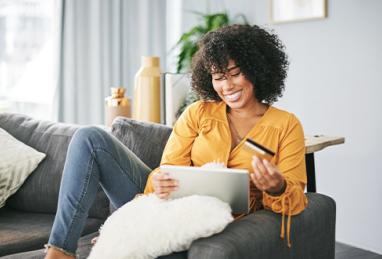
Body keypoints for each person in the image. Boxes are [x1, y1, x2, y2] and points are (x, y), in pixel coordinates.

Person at [45, 24, 307, 259]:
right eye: (218, 77)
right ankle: (60, 252)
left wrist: (276, 187)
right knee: (89, 137)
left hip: (214, 219)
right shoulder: (198, 112)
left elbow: (295, 201)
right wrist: (159, 182)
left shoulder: (286, 125)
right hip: (168, 204)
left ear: (256, 70)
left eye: (235, 74)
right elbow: (168, 168)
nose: (227, 86)